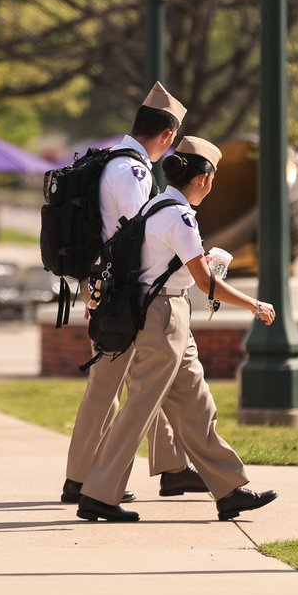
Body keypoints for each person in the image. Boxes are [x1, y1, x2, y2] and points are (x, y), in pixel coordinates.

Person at [76, 137, 279, 523]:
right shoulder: (180, 217)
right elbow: (206, 283)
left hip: (167, 316)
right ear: (203, 179)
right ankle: (98, 494)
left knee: (197, 406)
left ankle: (229, 489)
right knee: (140, 408)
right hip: (164, 317)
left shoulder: (156, 206)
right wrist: (253, 304)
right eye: (213, 179)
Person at [61, 83, 208, 506]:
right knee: (111, 384)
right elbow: (136, 237)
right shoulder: (133, 172)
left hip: (114, 288)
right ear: (167, 135)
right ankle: (82, 479)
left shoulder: (116, 162)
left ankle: (172, 467)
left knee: (149, 377)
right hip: (123, 292)